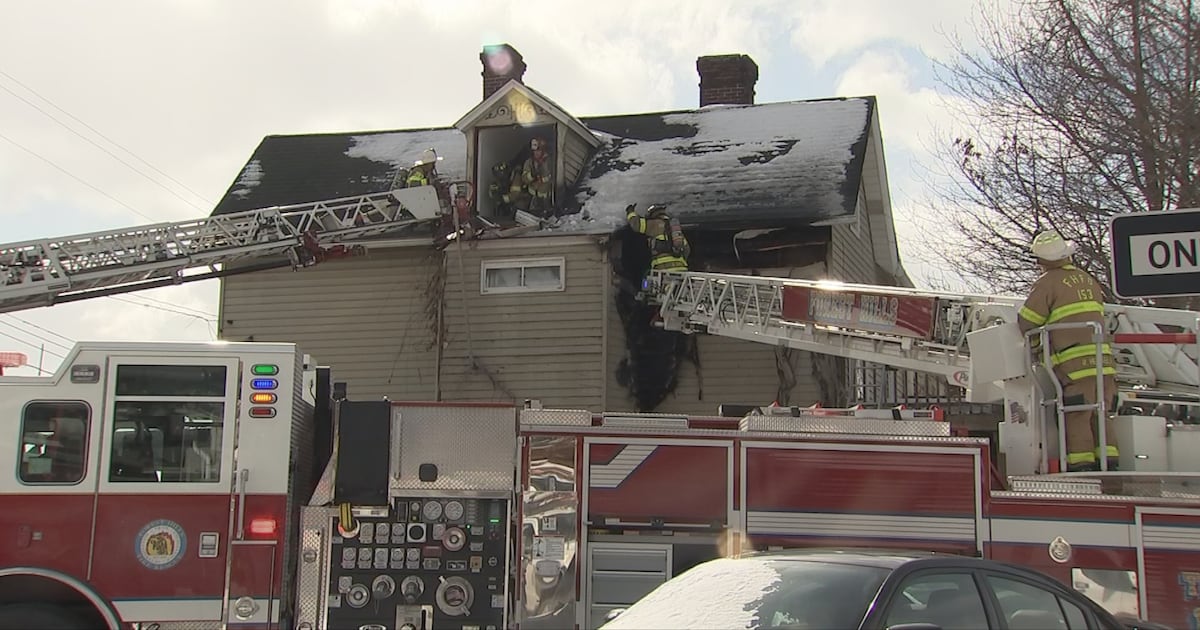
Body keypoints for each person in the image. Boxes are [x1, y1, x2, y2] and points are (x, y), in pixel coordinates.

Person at [1017, 230, 1119, 472]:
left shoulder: (1047, 283)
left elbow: (1028, 322)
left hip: (1074, 365)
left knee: (1077, 415)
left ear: (1042, 262)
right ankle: (1111, 465)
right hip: (1102, 362)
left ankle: (1081, 469)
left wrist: (1033, 348)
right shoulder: (1087, 280)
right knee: (1101, 414)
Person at [626, 203, 690, 274]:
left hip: (663, 269)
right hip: (682, 270)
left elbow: (636, 225)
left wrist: (630, 212)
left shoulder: (654, 224)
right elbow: (687, 249)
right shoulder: (675, 229)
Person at [520, 138, 554, 216]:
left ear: (543, 150)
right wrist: (532, 175)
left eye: (538, 150)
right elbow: (524, 179)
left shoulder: (550, 161)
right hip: (533, 198)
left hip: (548, 199)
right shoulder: (529, 162)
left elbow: (554, 177)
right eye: (534, 151)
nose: (536, 153)